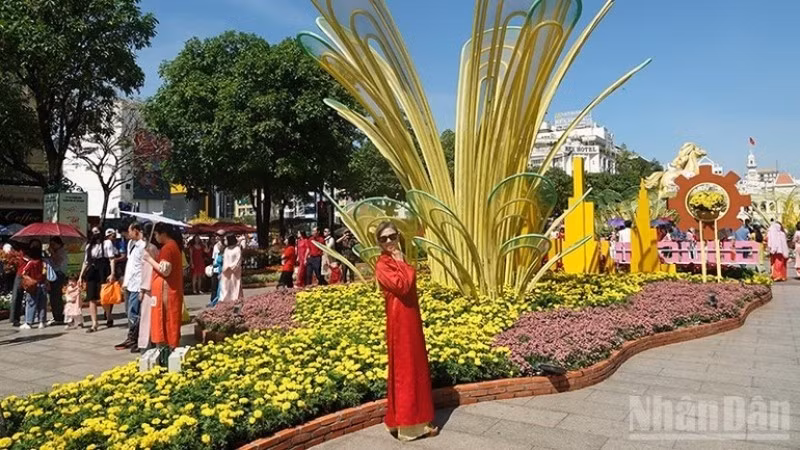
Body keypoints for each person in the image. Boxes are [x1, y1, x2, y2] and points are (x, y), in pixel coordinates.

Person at [374, 222, 438, 441]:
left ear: (398, 236)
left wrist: (401, 262)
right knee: (405, 369)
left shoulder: (395, 260)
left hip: (410, 319)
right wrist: (402, 263)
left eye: (392, 236)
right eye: (384, 239)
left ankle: (400, 420)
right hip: (400, 322)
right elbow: (403, 286)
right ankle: (410, 427)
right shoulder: (384, 263)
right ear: (379, 243)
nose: (389, 242)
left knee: (414, 365)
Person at [141, 223, 184, 350]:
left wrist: (149, 259)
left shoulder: (167, 248)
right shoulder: (172, 246)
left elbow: (165, 270)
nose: (155, 236)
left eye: (156, 234)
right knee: (169, 320)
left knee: (166, 321)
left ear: (163, 233)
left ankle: (168, 349)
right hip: (169, 289)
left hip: (167, 291)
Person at [78, 228, 116, 332]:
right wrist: (80, 276)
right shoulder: (88, 246)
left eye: (97, 231)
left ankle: (108, 315)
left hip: (103, 269)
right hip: (91, 270)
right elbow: (85, 262)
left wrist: (112, 273)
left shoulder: (107, 243)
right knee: (91, 298)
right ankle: (94, 323)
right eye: (93, 232)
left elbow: (111, 259)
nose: (96, 234)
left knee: (104, 296)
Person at [116, 222, 146, 350]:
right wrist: (125, 282)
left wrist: (142, 288)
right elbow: (131, 266)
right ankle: (132, 337)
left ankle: (136, 339)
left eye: (130, 231)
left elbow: (144, 268)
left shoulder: (144, 246)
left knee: (134, 313)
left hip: (138, 285)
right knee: (129, 313)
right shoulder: (131, 244)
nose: (128, 234)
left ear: (136, 231)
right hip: (130, 284)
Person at [136, 224, 159, 353]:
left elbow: (147, 271)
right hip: (150, 286)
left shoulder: (149, 249)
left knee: (146, 316)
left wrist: (142, 289)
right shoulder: (151, 248)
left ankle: (145, 343)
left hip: (149, 287)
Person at [19, 242, 46, 330]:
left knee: (31, 303)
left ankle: (29, 322)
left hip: (33, 286)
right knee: (42, 304)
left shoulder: (30, 263)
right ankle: (42, 322)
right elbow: (44, 272)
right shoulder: (42, 262)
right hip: (42, 284)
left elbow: (23, 273)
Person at [47, 236, 67, 325]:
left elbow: (58, 261)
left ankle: (59, 316)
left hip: (59, 275)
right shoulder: (56, 251)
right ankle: (56, 315)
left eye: (53, 244)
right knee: (53, 296)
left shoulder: (61, 251)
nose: (52, 246)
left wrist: (53, 253)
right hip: (54, 274)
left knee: (56, 295)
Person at [218, 234, 243, 302]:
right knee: (225, 285)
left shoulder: (237, 249)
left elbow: (238, 260)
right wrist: (225, 268)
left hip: (235, 272)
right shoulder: (226, 249)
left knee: (235, 285)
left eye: (226, 239)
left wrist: (231, 267)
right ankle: (225, 300)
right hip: (226, 271)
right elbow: (225, 260)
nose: (225, 241)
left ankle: (235, 299)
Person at [208, 230, 225, 307]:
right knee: (214, 286)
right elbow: (213, 258)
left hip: (222, 268)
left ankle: (220, 301)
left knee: (221, 286)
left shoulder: (225, 246)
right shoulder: (215, 246)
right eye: (217, 236)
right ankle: (213, 301)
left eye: (220, 236)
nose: (218, 237)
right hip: (215, 268)